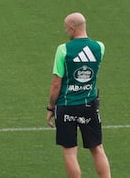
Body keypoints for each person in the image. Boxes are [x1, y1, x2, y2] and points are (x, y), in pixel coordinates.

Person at [46, 12, 111, 178]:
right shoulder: (99, 47)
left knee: (69, 152)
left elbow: (56, 84)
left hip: (66, 105)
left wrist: (50, 107)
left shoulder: (63, 50)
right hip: (89, 104)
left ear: (73, 28)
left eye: (66, 28)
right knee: (97, 148)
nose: (66, 31)